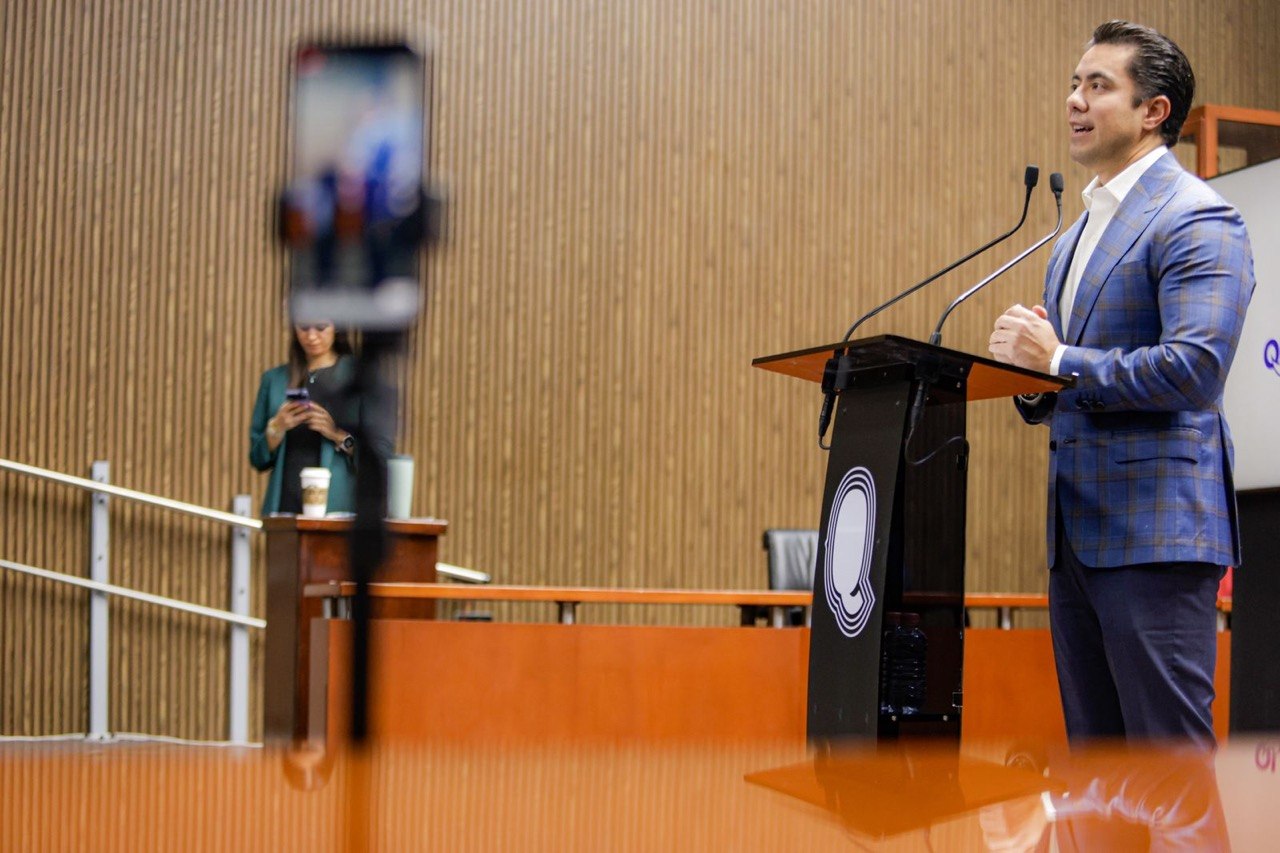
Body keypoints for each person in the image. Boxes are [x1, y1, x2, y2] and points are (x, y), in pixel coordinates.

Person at [988, 21, 1254, 745]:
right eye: (1074, 84)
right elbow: (1068, 376)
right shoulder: (1075, 235)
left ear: (1153, 111)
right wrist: (1031, 377)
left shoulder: (1198, 217)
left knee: (1168, 765)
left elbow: (1194, 368)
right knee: (1097, 770)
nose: (1074, 100)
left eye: (1098, 85)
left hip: (1156, 536)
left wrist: (1058, 361)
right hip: (1076, 537)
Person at [249, 320, 360, 515]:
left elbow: (378, 456)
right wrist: (277, 427)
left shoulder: (357, 377)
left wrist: (337, 435)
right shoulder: (274, 380)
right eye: (303, 327)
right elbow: (257, 458)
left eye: (321, 327)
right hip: (285, 508)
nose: (311, 336)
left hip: (338, 508)